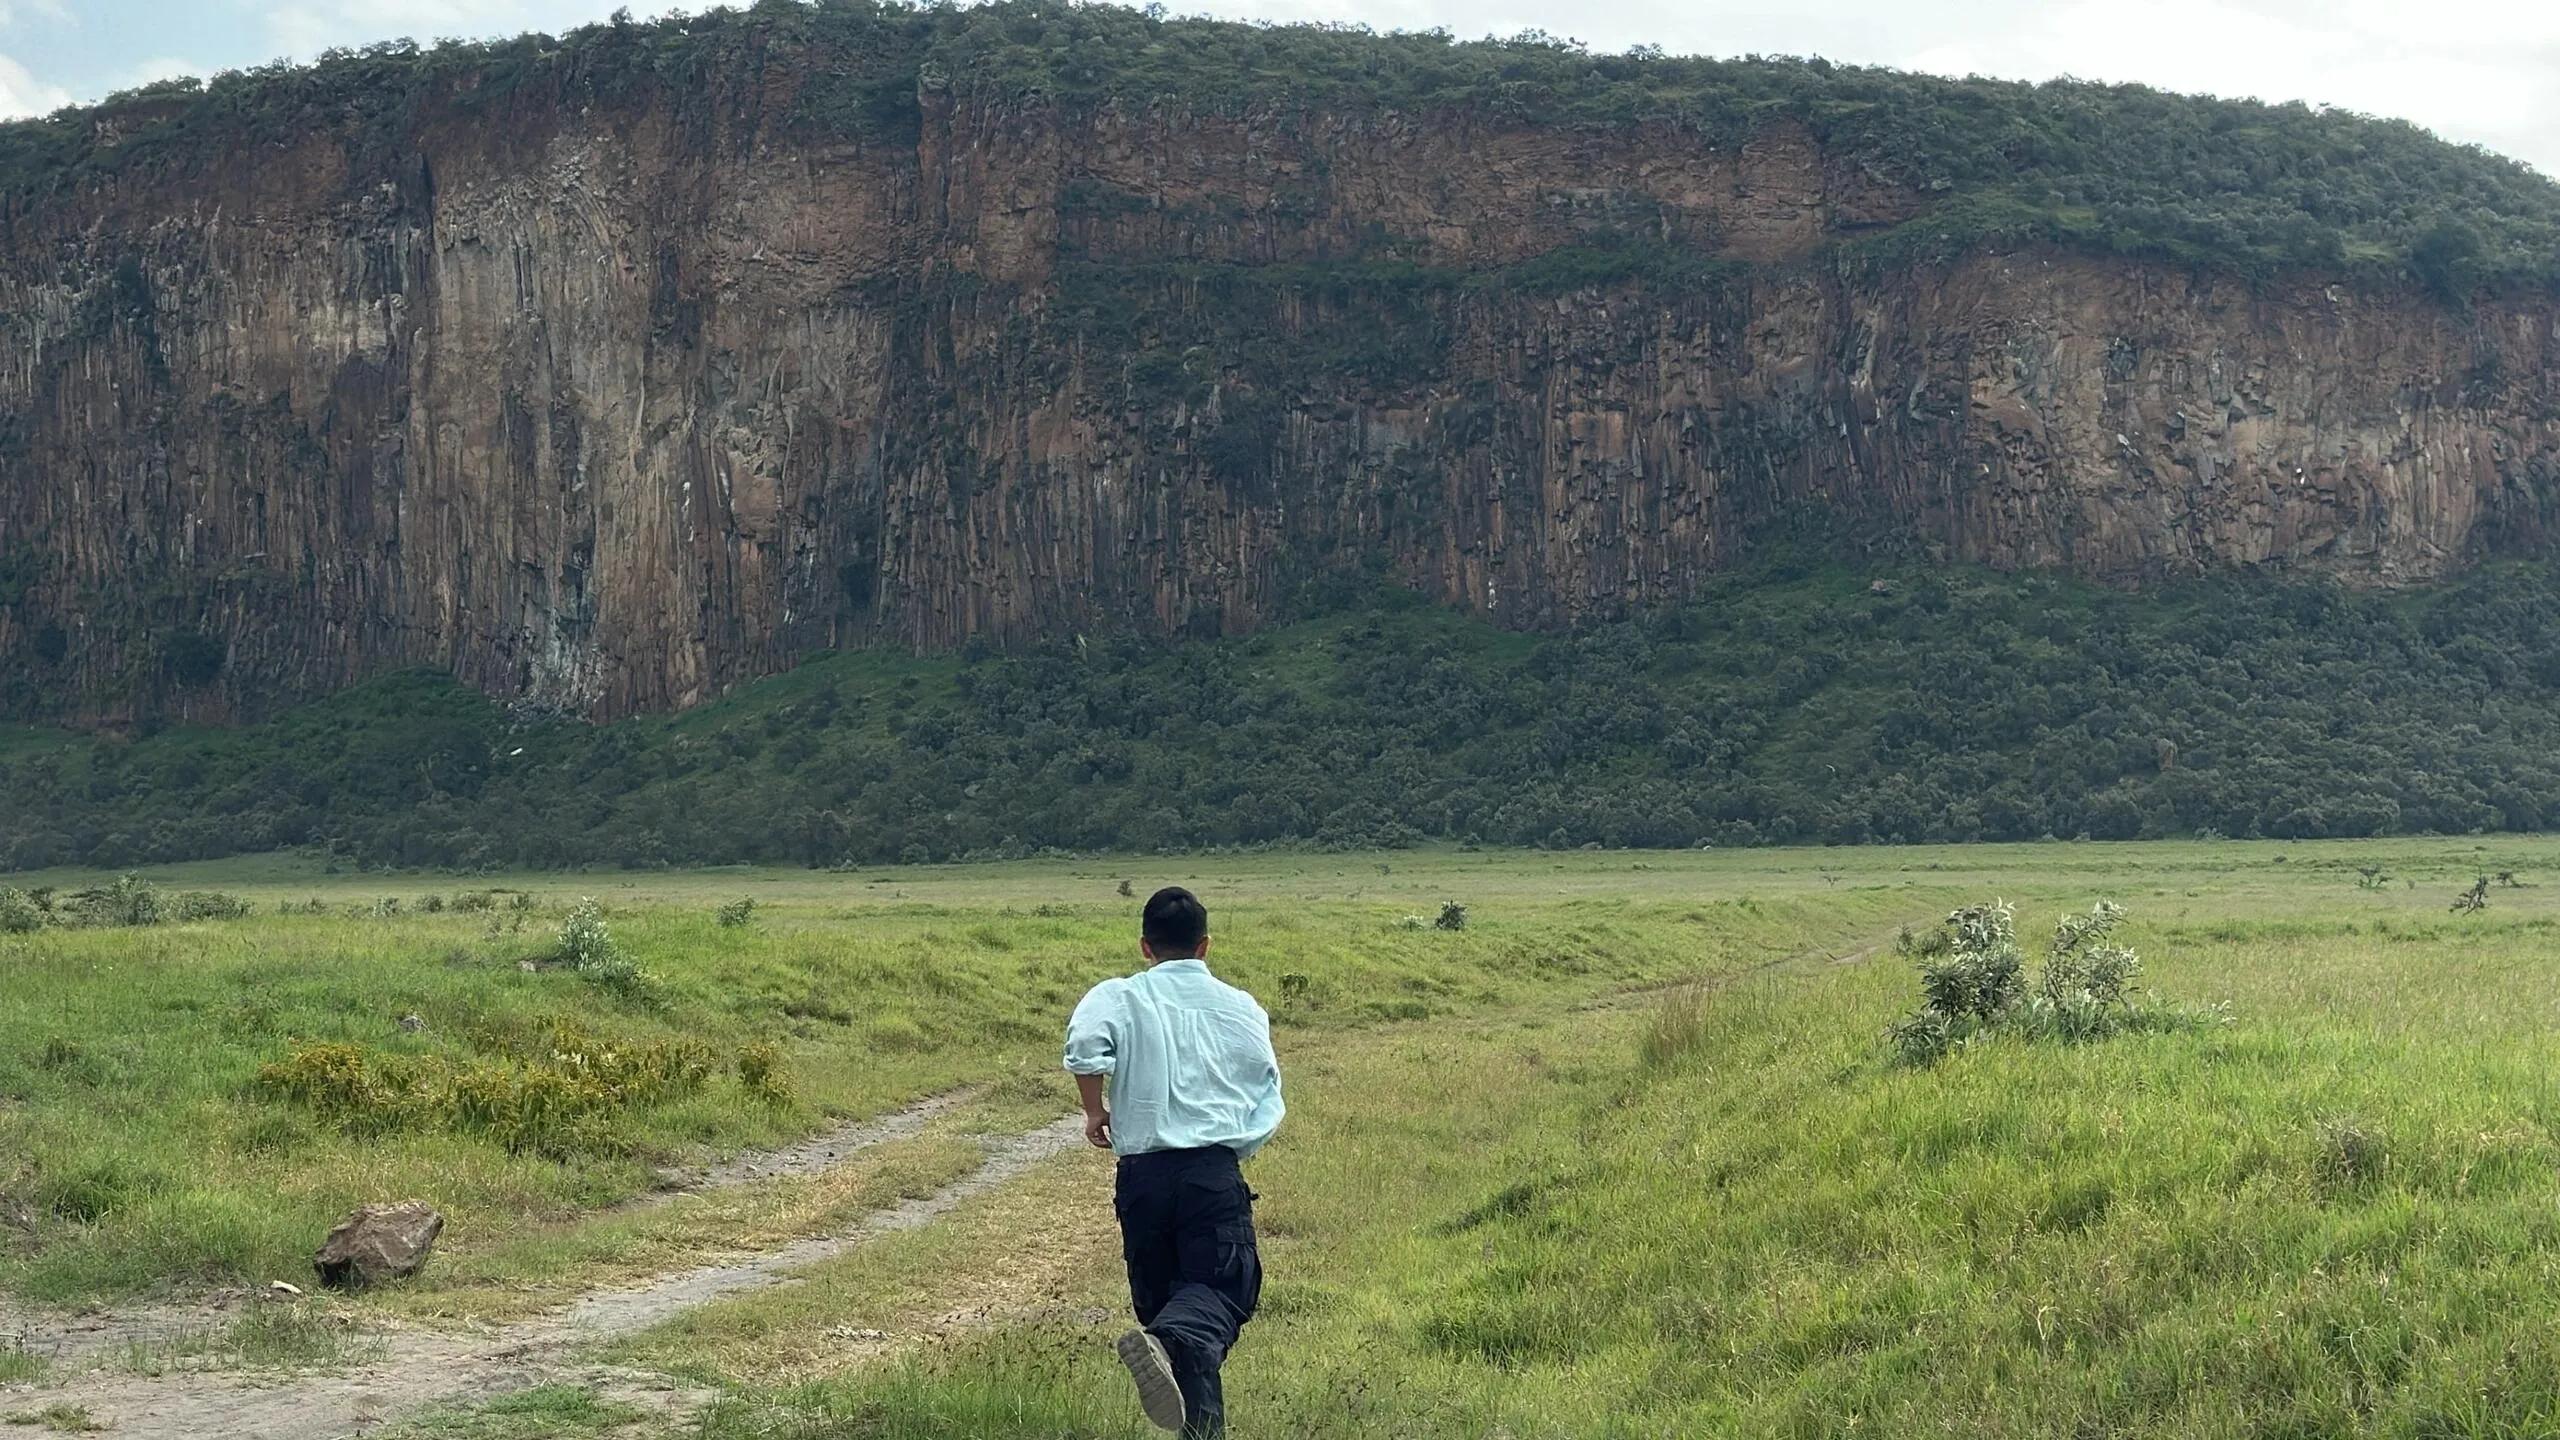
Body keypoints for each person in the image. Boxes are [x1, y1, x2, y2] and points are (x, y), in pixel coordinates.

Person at [1063, 885, 1285, 1438]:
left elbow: (1085, 1044)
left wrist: (1094, 1111)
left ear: (1145, 946)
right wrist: (1242, 1137)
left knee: (1169, 1308)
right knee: (1224, 1290)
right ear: (1205, 946)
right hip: (1211, 1172)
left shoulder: (1119, 995)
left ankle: (1193, 1406)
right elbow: (1265, 1084)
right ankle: (1172, 1342)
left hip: (1142, 1178)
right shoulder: (1241, 1006)